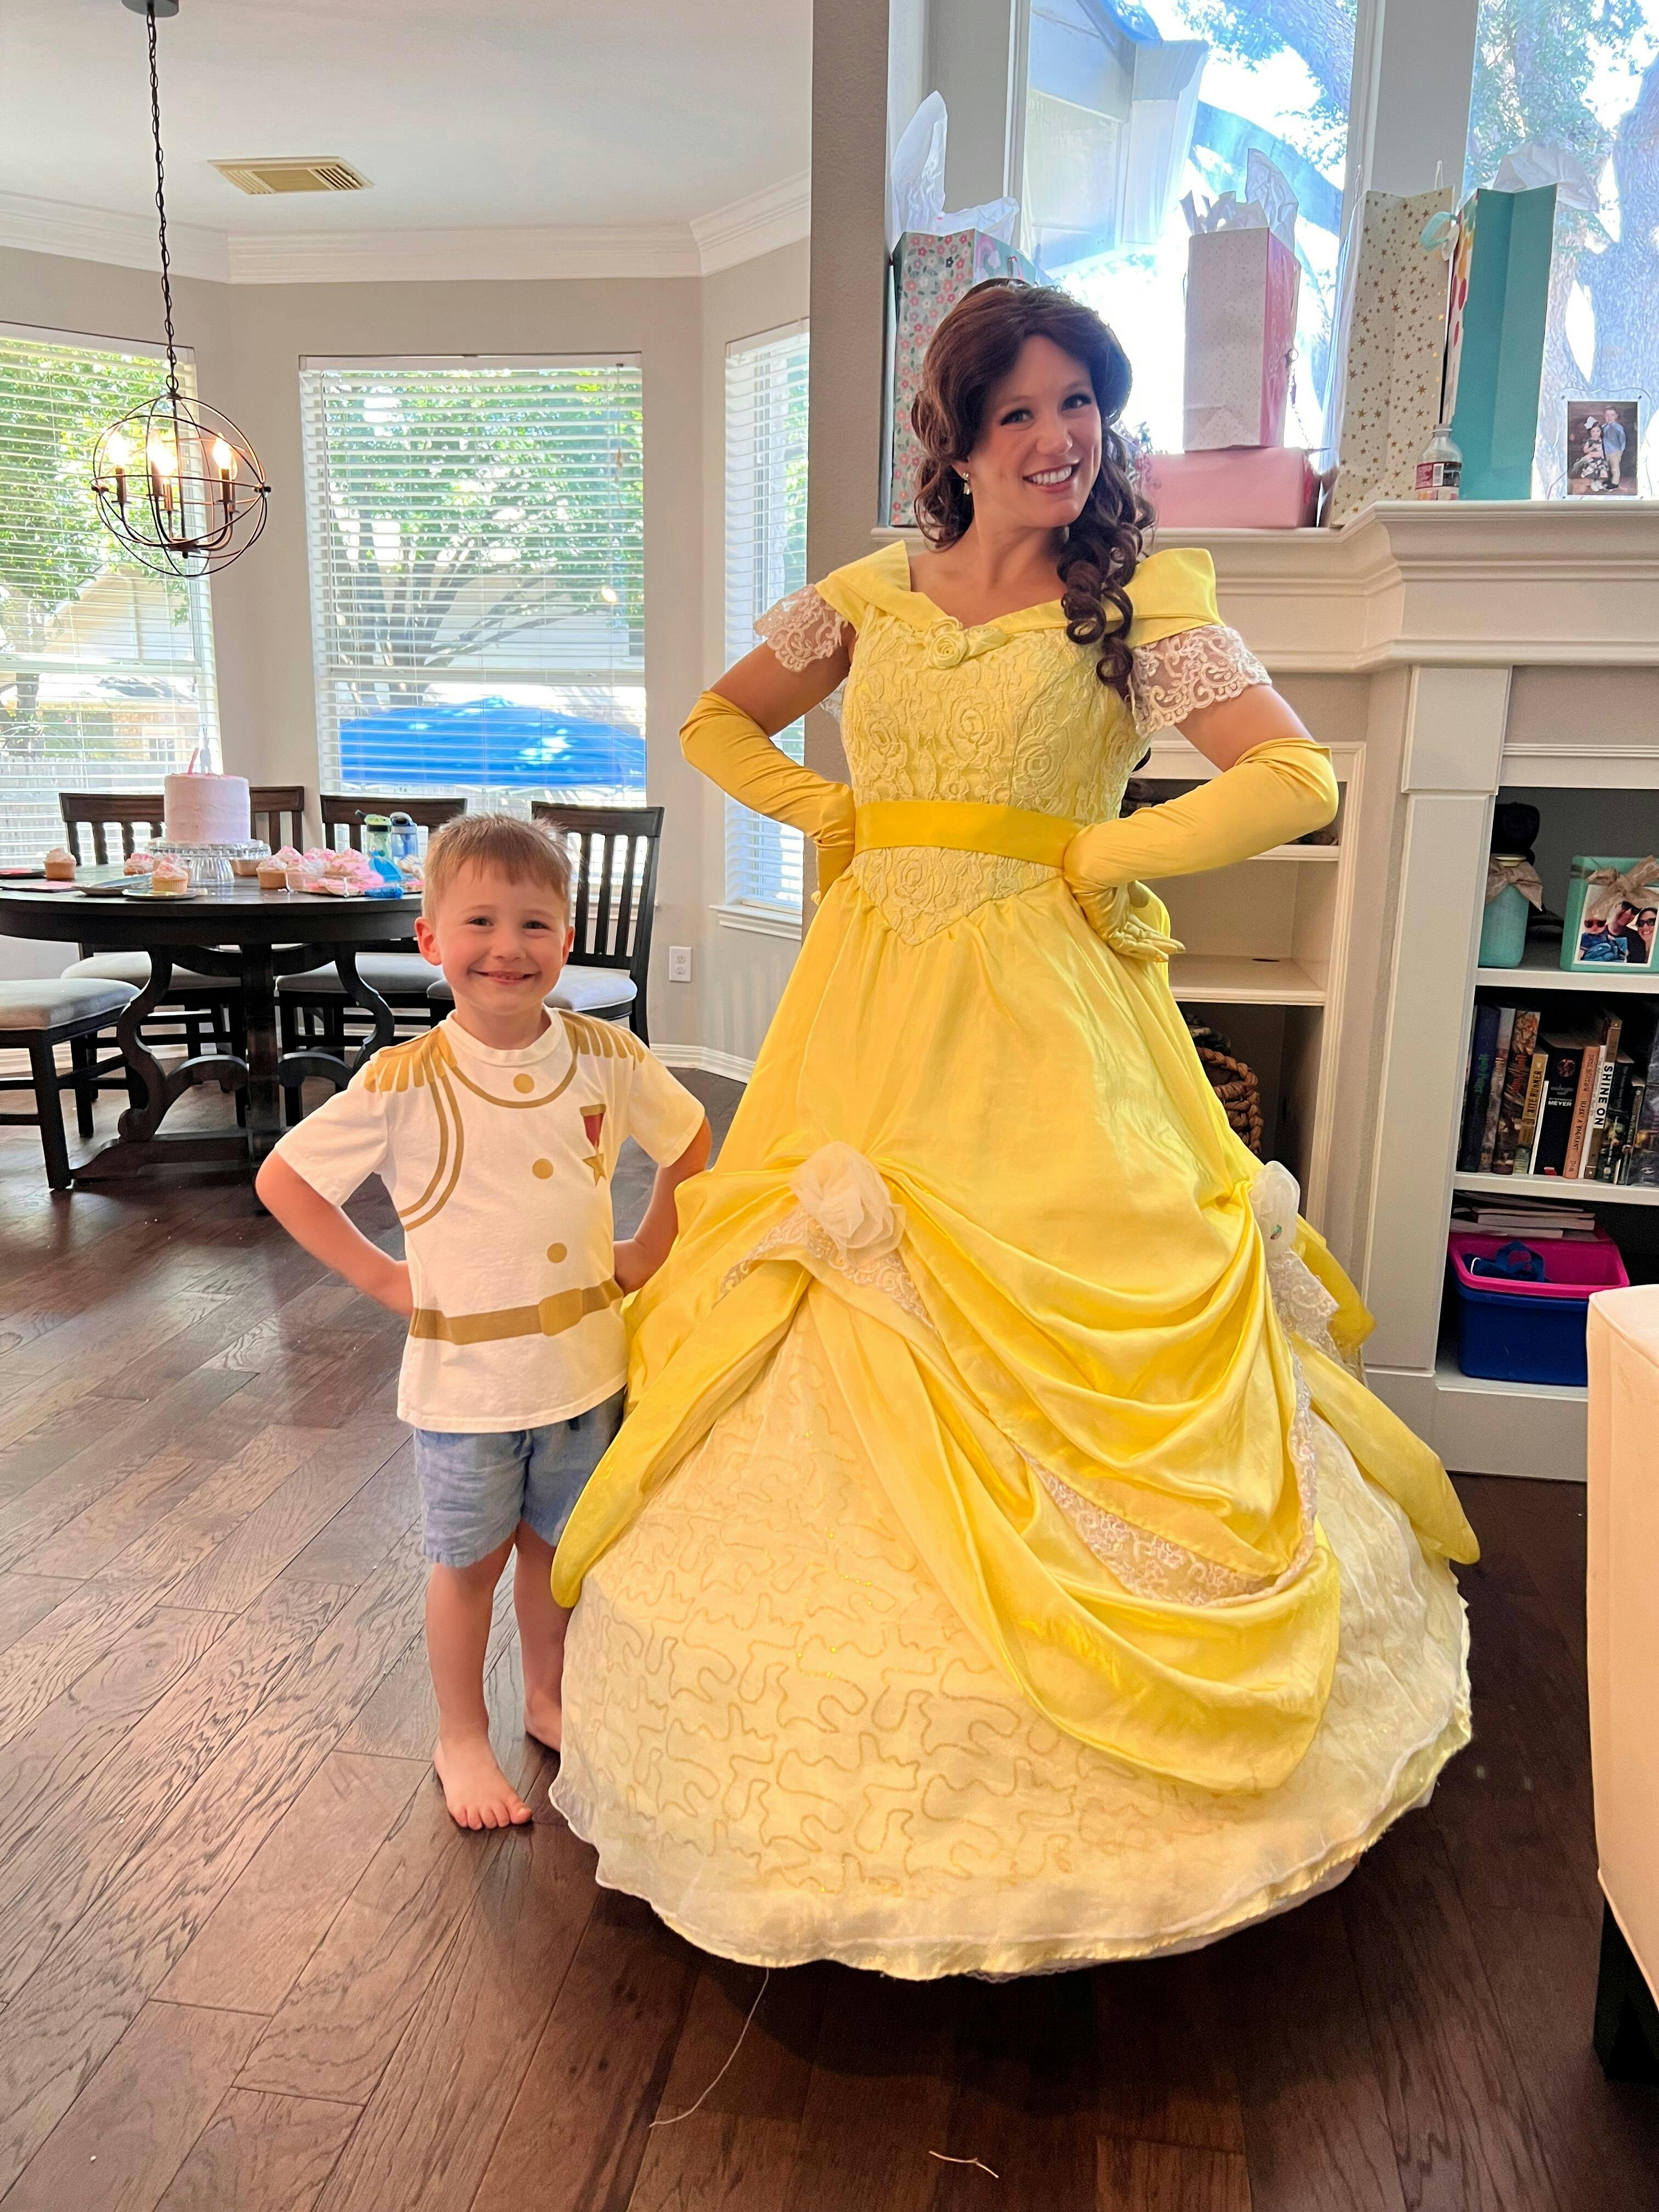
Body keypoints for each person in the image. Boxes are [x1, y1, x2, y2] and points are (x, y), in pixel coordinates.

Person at [551, 280, 1479, 1978]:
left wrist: (1097, 853)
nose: (1062, 439)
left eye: (1084, 406)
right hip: (868, 1003)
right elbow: (711, 720)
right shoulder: (865, 597)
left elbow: (1294, 779)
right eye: (1022, 413)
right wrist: (835, 812)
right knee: (820, 1290)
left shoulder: (1138, 598)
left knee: (1085, 1312)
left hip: (1047, 1018)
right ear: (959, 442)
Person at [257, 814, 710, 1829]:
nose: (507, 947)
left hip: (585, 1371)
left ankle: (546, 1696)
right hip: (468, 1390)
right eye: (479, 922)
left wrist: (647, 1249)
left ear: (566, 939)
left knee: (556, 1551)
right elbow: (286, 1180)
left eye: (534, 924)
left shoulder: (606, 1055)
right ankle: (460, 1733)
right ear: (430, 939)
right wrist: (385, 1280)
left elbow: (689, 1141)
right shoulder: (404, 1081)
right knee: (468, 1566)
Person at [1602, 405, 1627, 489]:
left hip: (1615, 451)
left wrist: (1621, 451)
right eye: (1607, 415)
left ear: (1616, 416)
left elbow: (1623, 439)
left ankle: (1615, 482)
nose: (1610, 417)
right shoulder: (1603, 427)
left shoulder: (1618, 427)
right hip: (1606, 451)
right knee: (1607, 466)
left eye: (1612, 415)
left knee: (1615, 467)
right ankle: (1609, 479)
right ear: (1604, 416)